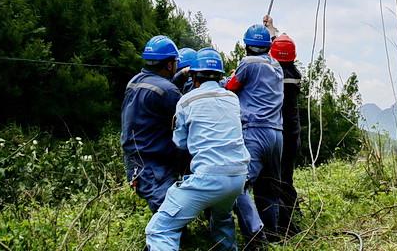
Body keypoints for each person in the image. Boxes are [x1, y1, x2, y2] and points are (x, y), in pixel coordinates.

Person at [145, 48, 250, 251]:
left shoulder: (187, 101)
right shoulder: (232, 99)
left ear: (193, 76)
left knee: (160, 229)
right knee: (222, 220)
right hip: (238, 177)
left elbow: (181, 142)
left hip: (209, 177)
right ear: (220, 76)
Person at [224, 24, 284, 249]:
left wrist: (230, 76)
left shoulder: (247, 63)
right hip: (276, 134)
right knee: (269, 188)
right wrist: (272, 28)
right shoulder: (276, 65)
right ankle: (273, 233)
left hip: (254, 131)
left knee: (238, 185)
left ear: (246, 45)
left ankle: (255, 235)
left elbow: (230, 87)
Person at [121, 35, 184, 212]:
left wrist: (181, 75)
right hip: (154, 162)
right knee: (169, 212)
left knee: (166, 209)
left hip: (135, 159)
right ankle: (170, 240)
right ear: (169, 64)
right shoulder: (168, 91)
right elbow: (186, 121)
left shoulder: (134, 81)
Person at [261, 15, 302, 237]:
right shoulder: (294, 74)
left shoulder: (271, 75)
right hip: (292, 133)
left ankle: (281, 226)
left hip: (275, 133)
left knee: (271, 180)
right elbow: (282, 52)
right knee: (286, 177)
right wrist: (271, 30)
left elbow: (268, 59)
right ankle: (291, 217)